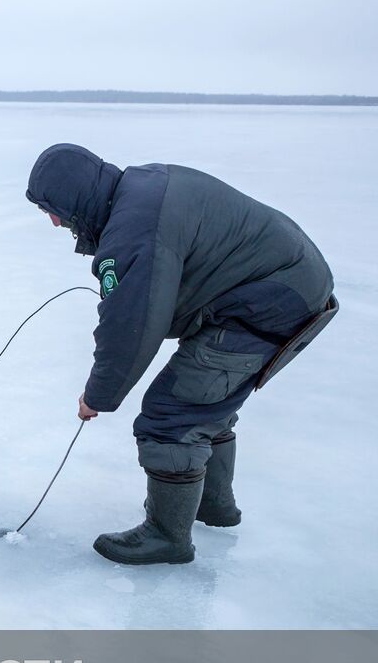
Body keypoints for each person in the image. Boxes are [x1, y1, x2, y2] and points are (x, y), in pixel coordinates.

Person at [25, 143, 335, 565]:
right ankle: (212, 506)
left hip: (270, 301)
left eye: (53, 209)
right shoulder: (140, 190)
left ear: (75, 198)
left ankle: (167, 536)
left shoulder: (134, 231)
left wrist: (97, 397)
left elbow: (131, 327)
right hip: (289, 286)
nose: (54, 221)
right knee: (205, 399)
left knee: (172, 413)